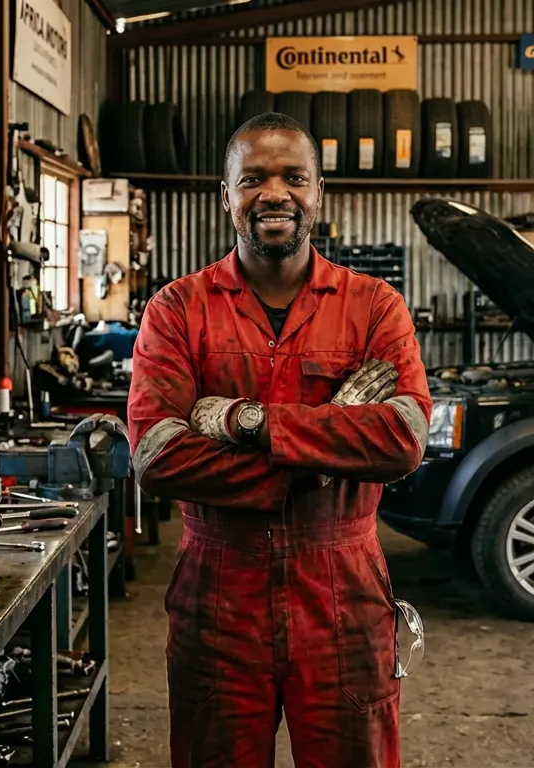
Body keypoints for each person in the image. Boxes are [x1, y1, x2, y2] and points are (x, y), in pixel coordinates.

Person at [127, 111, 432, 768]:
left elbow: (403, 439)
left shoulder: (374, 307)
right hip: (218, 599)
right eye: (253, 179)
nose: (274, 194)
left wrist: (245, 422)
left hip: (344, 601)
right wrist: (323, 454)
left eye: (294, 176)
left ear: (317, 192)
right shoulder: (178, 310)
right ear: (227, 195)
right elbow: (158, 455)